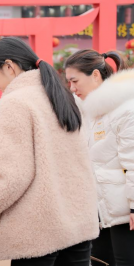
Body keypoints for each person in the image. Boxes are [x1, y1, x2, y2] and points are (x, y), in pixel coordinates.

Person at [0, 37, 99, 266]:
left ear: (9, 66)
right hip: (77, 224)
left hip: (38, 232)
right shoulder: (63, 97)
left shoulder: (16, 101)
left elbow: (12, 176)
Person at [65, 50, 134, 266]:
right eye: (69, 82)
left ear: (95, 75)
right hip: (100, 208)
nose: (72, 88)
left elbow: (132, 162)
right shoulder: (89, 111)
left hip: (125, 211)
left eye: (75, 80)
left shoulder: (125, 110)